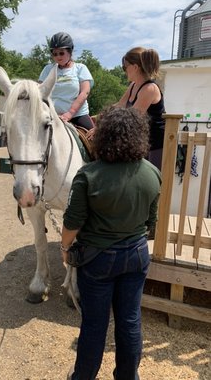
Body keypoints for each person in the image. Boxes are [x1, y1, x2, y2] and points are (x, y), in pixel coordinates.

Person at [61, 106, 161, 380]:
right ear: (138, 136)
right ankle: (129, 376)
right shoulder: (152, 172)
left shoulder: (88, 174)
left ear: (102, 136)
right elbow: (151, 222)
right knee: (130, 321)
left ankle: (83, 376)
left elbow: (72, 224)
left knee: (94, 324)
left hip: (98, 259)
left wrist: (64, 248)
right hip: (137, 254)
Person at [87, 47, 165, 171]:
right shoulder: (134, 85)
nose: (124, 70)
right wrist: (100, 116)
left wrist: (101, 127)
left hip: (155, 146)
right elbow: (119, 105)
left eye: (125, 67)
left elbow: (129, 119)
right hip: (142, 142)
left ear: (135, 67)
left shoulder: (150, 89)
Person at [39, 32, 94, 130]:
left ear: (70, 51)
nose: (58, 57)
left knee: (95, 139)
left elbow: (85, 92)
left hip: (78, 116)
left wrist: (70, 113)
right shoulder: (48, 69)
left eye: (61, 53)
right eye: (54, 54)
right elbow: (39, 91)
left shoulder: (80, 68)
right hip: (51, 116)